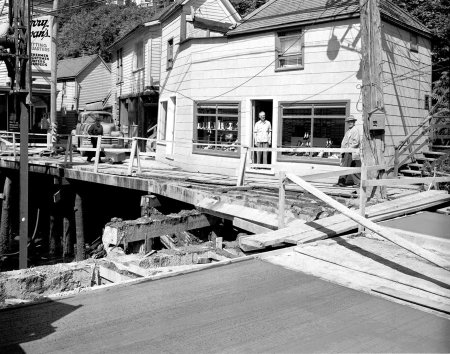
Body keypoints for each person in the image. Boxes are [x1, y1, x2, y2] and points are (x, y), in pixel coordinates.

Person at [338, 115, 361, 187]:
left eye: (351, 121)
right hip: (346, 151)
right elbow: (344, 142)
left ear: (354, 122)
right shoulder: (348, 131)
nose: (350, 123)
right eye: (349, 122)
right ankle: (358, 182)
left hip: (350, 152)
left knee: (345, 167)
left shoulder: (355, 130)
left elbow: (356, 142)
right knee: (351, 167)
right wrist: (342, 151)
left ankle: (341, 181)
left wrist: (348, 149)